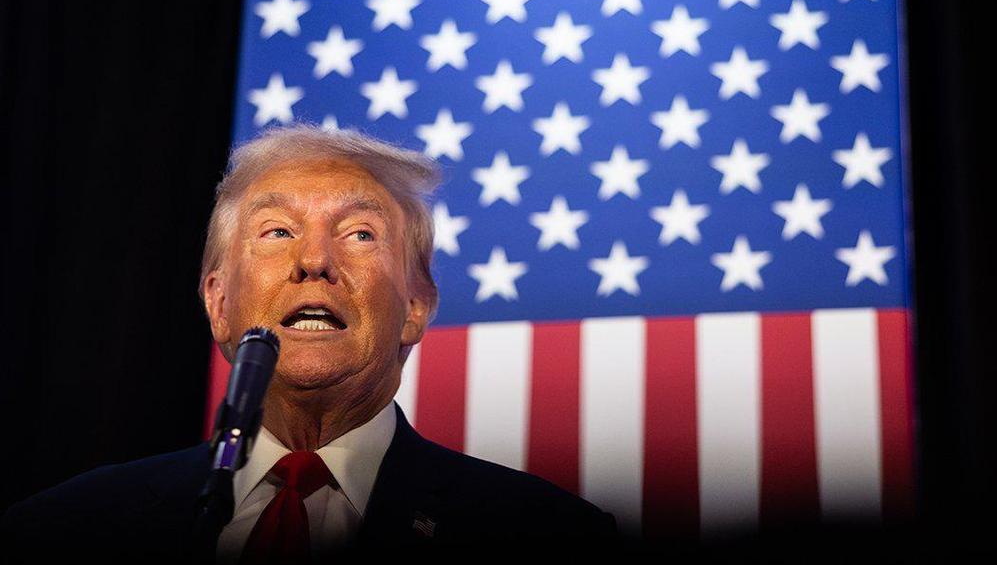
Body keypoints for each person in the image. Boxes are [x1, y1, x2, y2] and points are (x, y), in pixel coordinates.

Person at [3, 125, 617, 561]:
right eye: (277, 231)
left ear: (413, 307)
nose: (315, 260)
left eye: (358, 234)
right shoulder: (63, 531)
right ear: (218, 304)